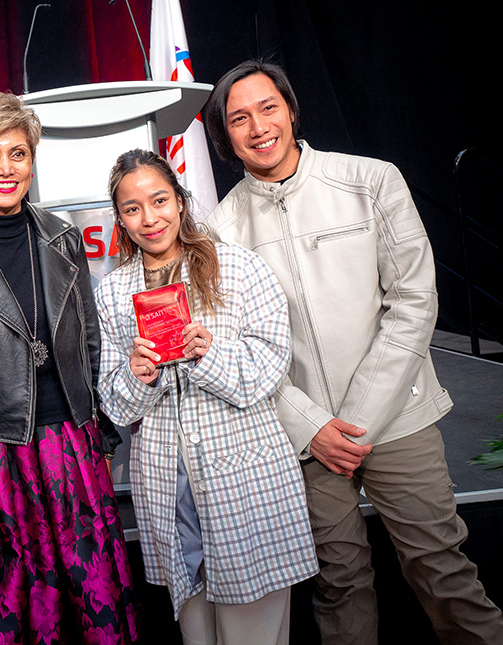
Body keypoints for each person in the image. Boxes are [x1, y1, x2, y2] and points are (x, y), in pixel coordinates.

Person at [204, 59, 503, 645]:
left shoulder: (371, 180)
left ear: (290, 109)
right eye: (239, 118)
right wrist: (313, 426)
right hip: (303, 437)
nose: (258, 127)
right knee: (339, 586)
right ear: (225, 135)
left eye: (268, 108)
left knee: (442, 571)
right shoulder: (219, 229)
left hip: (397, 418)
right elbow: (236, 348)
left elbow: (415, 300)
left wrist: (358, 418)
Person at [0, 92, 138, 644]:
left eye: (18, 153)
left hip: (73, 452)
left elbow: (90, 344)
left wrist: (101, 442)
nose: (6, 169)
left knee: (93, 607)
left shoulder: (63, 237)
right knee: (8, 615)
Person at [94, 149, 317, 645]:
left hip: (243, 473)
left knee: (252, 637)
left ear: (180, 200)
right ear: (120, 220)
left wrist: (207, 356)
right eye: (132, 209)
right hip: (166, 485)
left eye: (159, 200)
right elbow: (115, 403)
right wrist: (139, 375)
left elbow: (268, 371)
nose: (149, 218)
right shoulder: (111, 294)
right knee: (197, 635)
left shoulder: (237, 268)